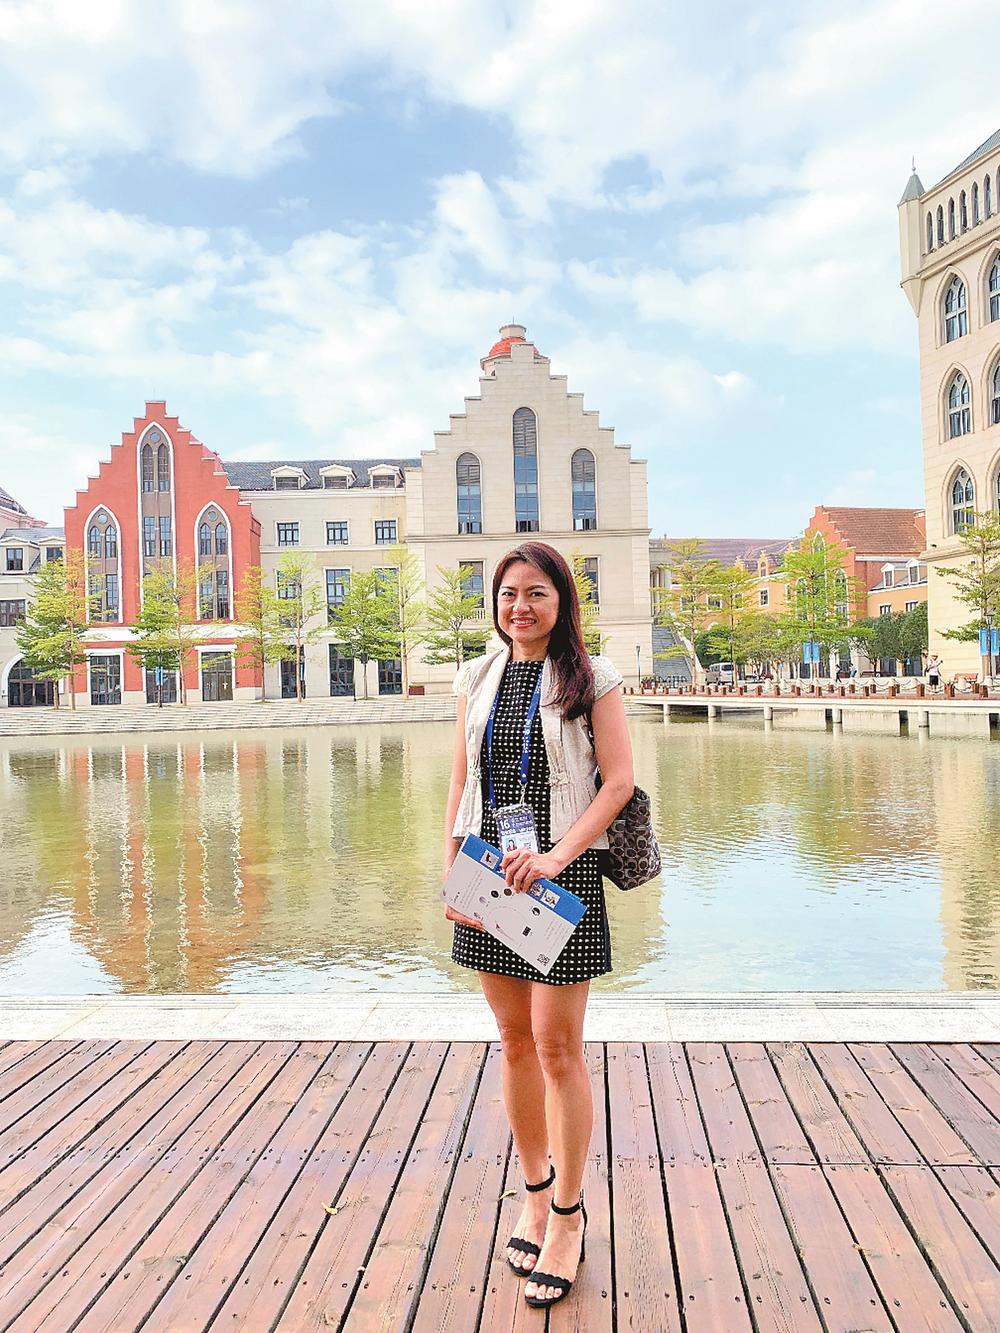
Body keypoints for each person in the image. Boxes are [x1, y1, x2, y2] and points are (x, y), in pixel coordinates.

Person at [443, 541, 634, 1311]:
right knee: (513, 1039)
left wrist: (556, 856)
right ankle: (532, 1190)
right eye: (508, 593)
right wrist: (450, 866)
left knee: (558, 1046)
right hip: (489, 869)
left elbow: (618, 783)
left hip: (558, 874)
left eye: (536, 593)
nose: (519, 606)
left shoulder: (592, 678)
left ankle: (568, 1214)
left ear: (562, 602)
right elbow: (462, 777)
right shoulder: (475, 677)